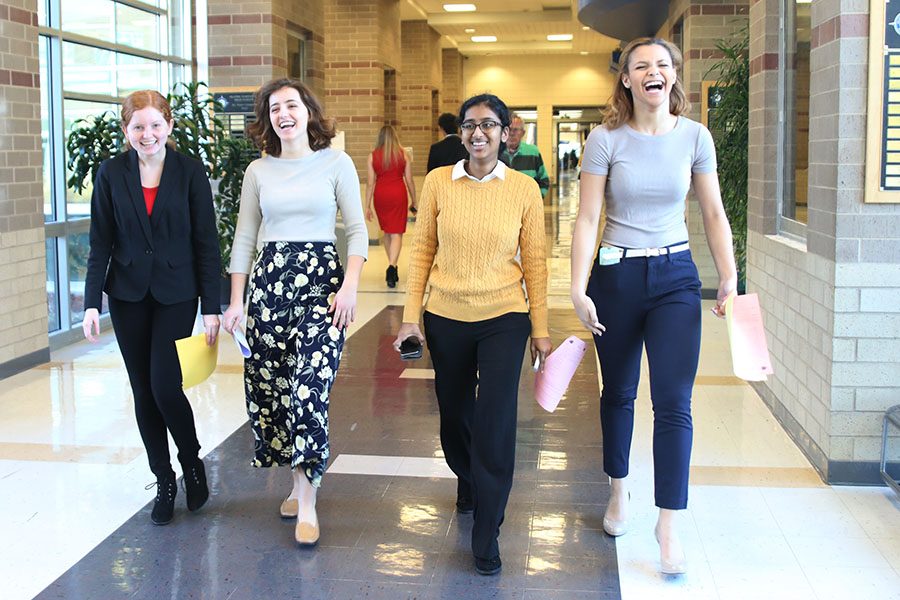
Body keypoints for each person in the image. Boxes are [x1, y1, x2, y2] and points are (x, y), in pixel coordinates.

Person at [570, 37, 737, 575]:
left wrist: (730, 275)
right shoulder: (604, 139)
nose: (652, 72)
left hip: (675, 279)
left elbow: (712, 211)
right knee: (617, 391)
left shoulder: (695, 137)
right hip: (616, 278)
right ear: (625, 79)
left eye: (662, 64)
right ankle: (618, 489)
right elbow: (587, 217)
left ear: (674, 76)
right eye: (641, 65)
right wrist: (578, 286)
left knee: (673, 402)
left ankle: (668, 523)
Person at [395, 94, 551, 577]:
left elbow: (536, 263)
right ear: (459, 134)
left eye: (488, 125)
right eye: (469, 125)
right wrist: (410, 317)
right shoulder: (440, 182)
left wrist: (540, 329)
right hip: (446, 314)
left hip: (505, 315)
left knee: (496, 420)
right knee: (455, 413)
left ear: (506, 132)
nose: (478, 133)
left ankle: (488, 530)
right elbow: (420, 251)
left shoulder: (525, 189)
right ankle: (467, 477)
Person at [221, 78, 367, 547]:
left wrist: (350, 286)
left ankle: (308, 504)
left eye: (292, 105)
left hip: (323, 289)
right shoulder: (259, 171)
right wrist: (236, 301)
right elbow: (244, 238)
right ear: (268, 119)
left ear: (308, 111)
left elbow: (359, 231)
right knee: (277, 392)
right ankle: (296, 483)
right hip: (268, 288)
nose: (284, 114)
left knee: (308, 390)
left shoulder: (336, 163)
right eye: (274, 108)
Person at [82, 90, 222, 526]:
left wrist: (211, 306)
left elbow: (206, 242)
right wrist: (90, 303)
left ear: (169, 127)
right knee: (143, 391)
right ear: (126, 131)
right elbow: (100, 240)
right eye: (138, 126)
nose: (147, 134)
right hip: (127, 296)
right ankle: (163, 479)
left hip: (177, 293)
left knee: (165, 386)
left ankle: (191, 461)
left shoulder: (189, 172)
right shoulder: (110, 174)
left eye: (155, 125)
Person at [364, 125, 417, 288]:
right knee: (396, 233)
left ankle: (391, 265)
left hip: (381, 195)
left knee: (387, 231)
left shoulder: (373, 156)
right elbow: (409, 180)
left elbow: (370, 183)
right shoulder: (404, 155)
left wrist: (367, 206)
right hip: (398, 194)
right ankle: (392, 266)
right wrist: (414, 200)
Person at [500, 114, 550, 197]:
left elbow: (544, 181)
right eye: (509, 129)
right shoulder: (495, 153)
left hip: (526, 207)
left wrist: (537, 200)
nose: (511, 133)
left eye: (516, 130)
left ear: (523, 133)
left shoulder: (533, 152)